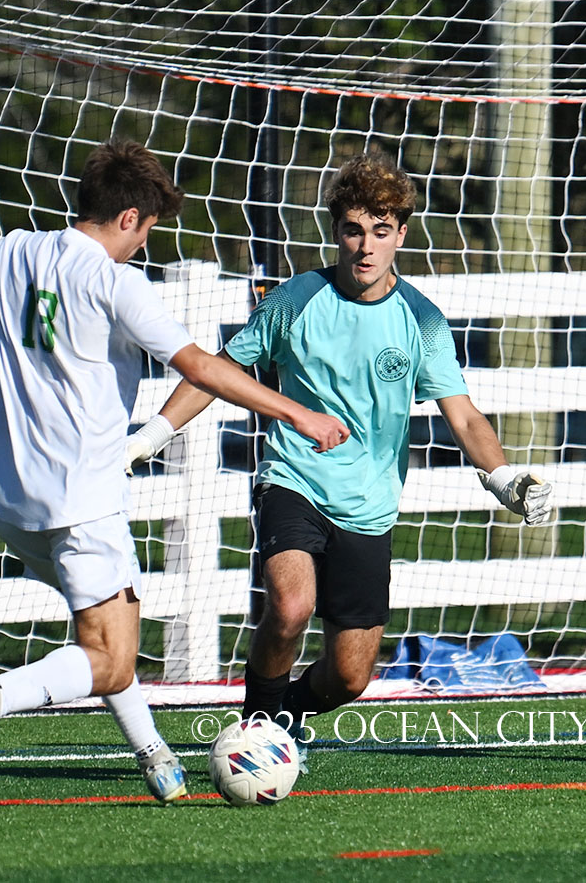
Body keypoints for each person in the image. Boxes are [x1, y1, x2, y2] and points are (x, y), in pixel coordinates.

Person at [0, 139, 350, 801]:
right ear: (130, 217)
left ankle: (157, 758)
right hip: (83, 498)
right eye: (148, 230)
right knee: (109, 657)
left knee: (105, 633)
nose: (144, 245)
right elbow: (201, 367)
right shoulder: (116, 282)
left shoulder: (13, 250)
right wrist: (299, 414)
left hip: (12, 500)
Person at [124, 151, 553, 761]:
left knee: (350, 677)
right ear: (336, 232)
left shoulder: (422, 320)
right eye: (353, 230)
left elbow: (463, 414)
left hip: (370, 507)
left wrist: (503, 475)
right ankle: (256, 727)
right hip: (293, 480)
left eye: (381, 230)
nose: (366, 246)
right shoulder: (295, 300)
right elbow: (218, 371)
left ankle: (285, 716)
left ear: (402, 234)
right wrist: (148, 437)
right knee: (290, 606)